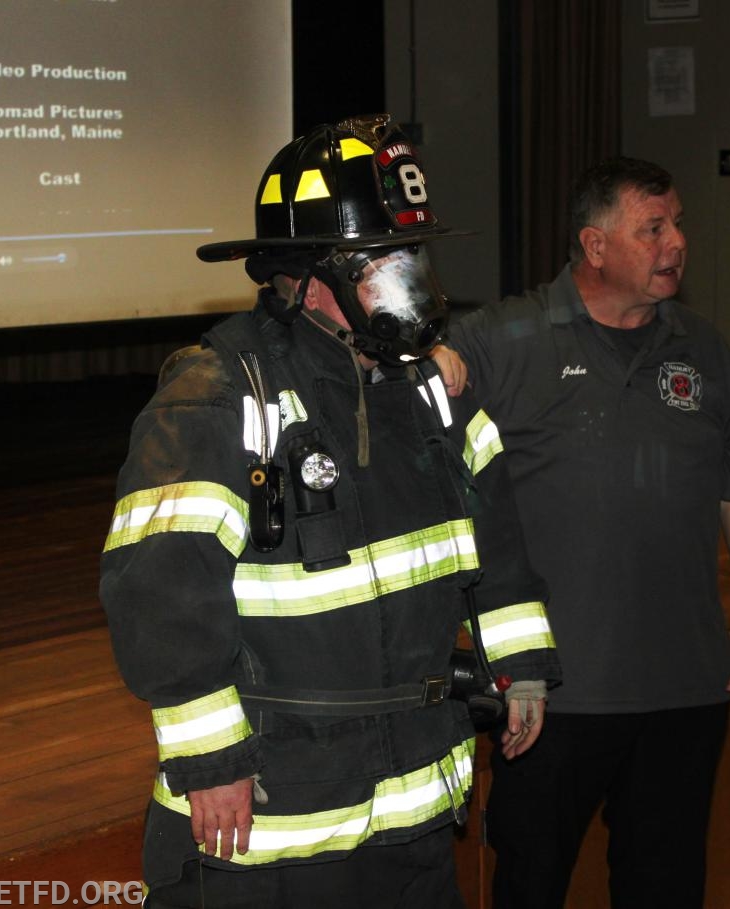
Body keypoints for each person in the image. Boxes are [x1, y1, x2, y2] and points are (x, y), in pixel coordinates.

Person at [99, 114, 561, 909]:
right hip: (270, 833)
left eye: (414, 257)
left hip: (414, 812)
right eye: (387, 262)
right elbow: (160, 592)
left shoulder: (430, 390)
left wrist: (523, 668)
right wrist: (210, 761)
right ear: (316, 276)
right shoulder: (217, 394)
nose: (411, 283)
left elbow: (498, 537)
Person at [432, 156, 730, 909]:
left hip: (686, 691)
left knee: (666, 890)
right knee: (530, 887)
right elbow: (418, 405)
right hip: (554, 698)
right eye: (652, 228)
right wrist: (430, 362)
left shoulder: (705, 352)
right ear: (594, 247)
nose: (677, 242)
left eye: (678, 223)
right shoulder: (506, 339)